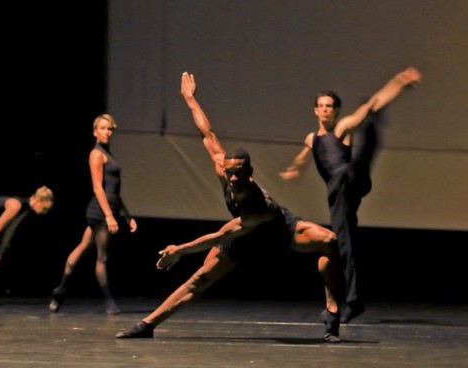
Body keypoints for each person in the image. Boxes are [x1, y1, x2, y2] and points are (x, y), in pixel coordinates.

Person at [116, 72, 343, 342]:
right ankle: (148, 325)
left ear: (250, 173)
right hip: (244, 240)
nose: (233, 178)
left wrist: (180, 250)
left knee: (329, 240)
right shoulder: (223, 168)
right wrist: (190, 99)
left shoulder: (261, 206)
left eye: (239, 173)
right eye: (229, 172)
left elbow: (221, 234)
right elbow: (207, 132)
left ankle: (332, 310)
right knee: (199, 280)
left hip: (279, 233)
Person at [278, 67, 422, 323]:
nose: (325, 109)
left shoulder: (342, 127)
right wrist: (295, 170)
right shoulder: (312, 138)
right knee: (345, 246)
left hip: (351, 180)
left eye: (329, 106)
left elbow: (374, 102)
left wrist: (399, 82)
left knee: (366, 127)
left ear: (336, 111)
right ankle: (355, 301)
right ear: (315, 110)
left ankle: (354, 301)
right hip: (340, 195)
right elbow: (305, 155)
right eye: (321, 106)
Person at [49, 113, 137, 315]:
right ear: (95, 132)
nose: (107, 132)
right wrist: (108, 216)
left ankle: (60, 290)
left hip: (110, 208)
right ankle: (109, 302)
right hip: (100, 210)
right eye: (103, 128)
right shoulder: (96, 154)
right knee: (102, 257)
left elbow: (114, 191)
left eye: (110, 129)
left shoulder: (108, 153)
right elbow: (98, 187)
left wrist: (127, 215)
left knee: (81, 248)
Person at [0, 186, 54, 304]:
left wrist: (0, 253)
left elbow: (10, 230)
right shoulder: (16, 205)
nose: (44, 212)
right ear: (38, 201)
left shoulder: (25, 208)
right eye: (44, 208)